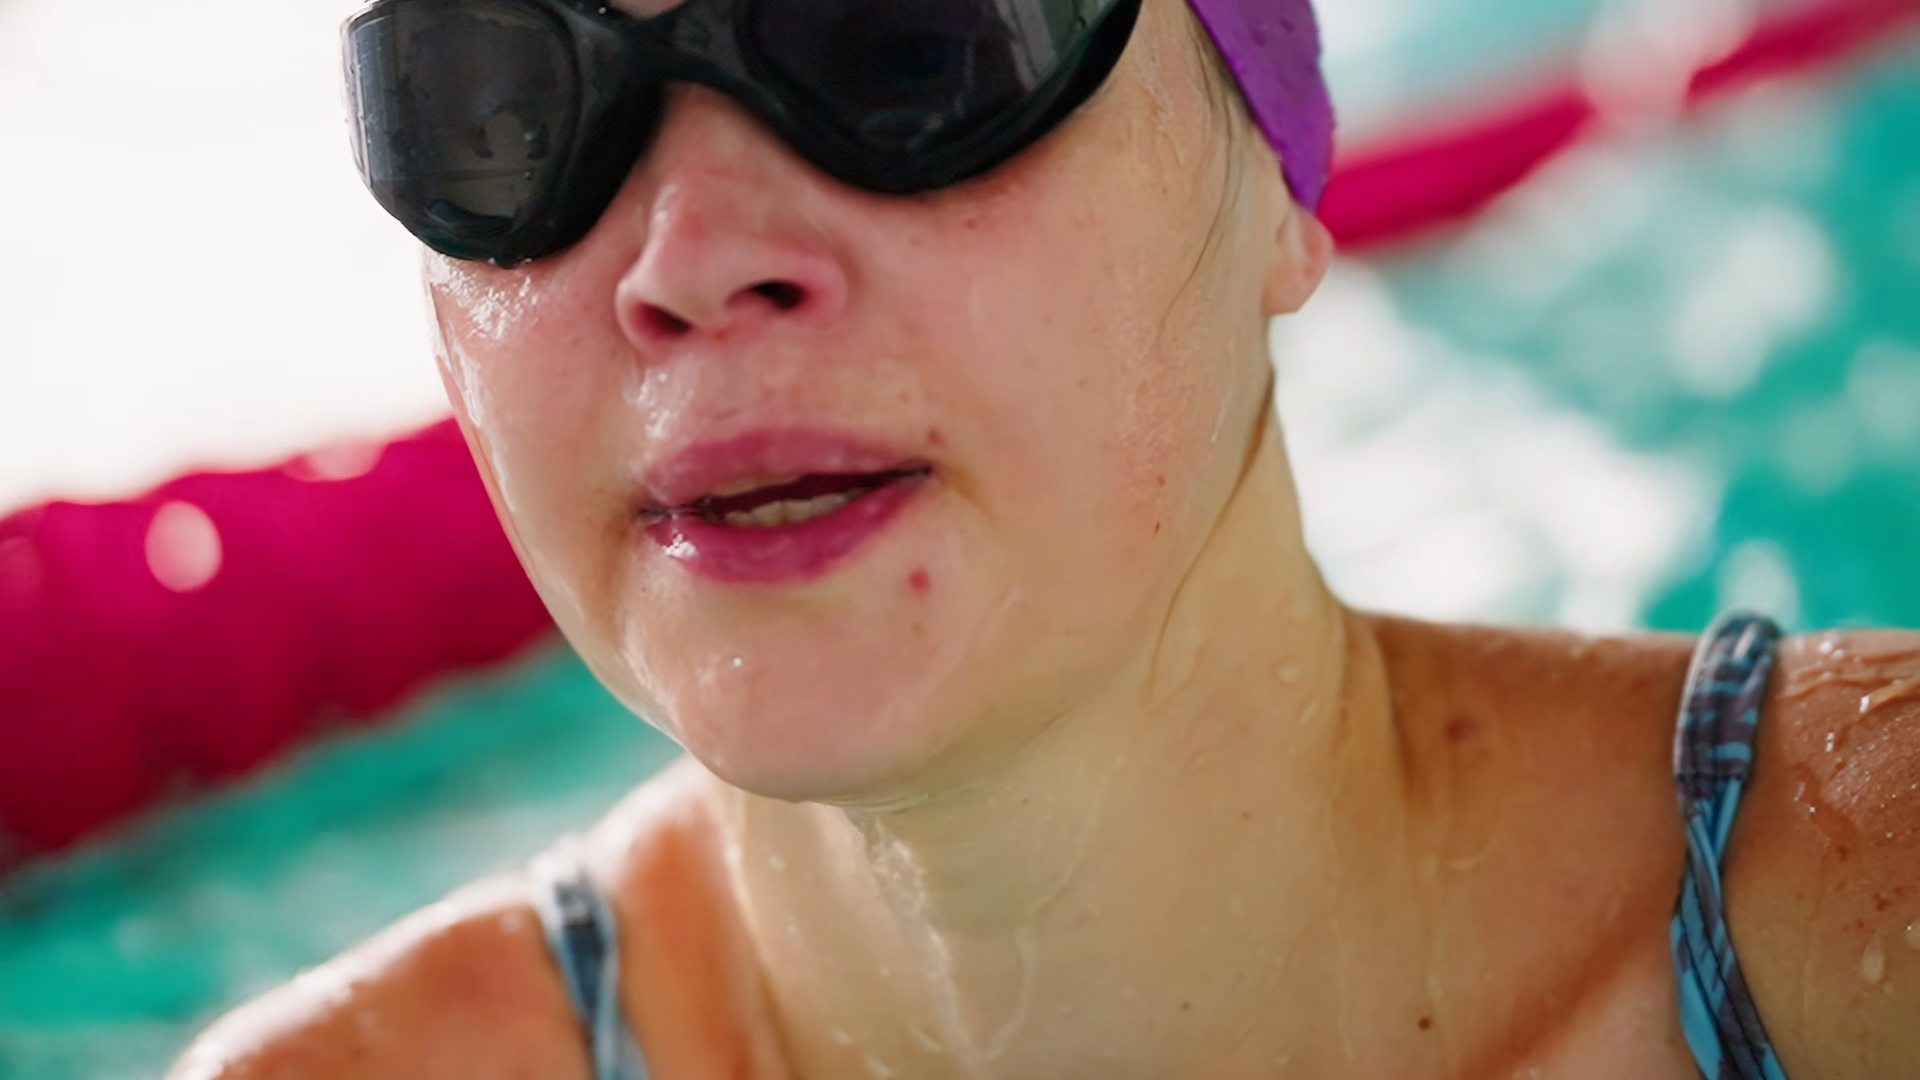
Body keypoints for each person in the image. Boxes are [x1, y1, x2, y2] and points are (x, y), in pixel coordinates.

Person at [170, 0, 1920, 1074]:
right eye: (499, 94)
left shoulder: (1866, 912)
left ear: (1275, 165)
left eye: (907, 48)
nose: (686, 261)